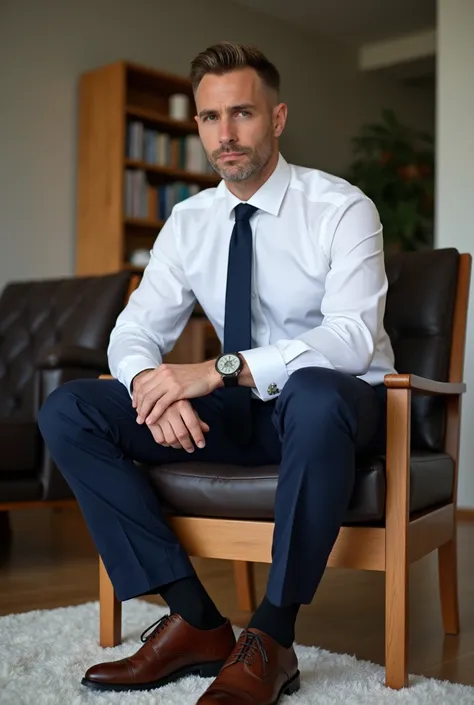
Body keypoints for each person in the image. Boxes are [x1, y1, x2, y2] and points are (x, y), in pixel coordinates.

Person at [38, 41, 396, 705]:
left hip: (333, 416)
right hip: (236, 418)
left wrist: (217, 370)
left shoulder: (342, 208)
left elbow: (350, 337)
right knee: (69, 408)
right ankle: (197, 621)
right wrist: (152, 386)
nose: (225, 136)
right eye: (209, 118)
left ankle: (273, 634)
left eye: (243, 114)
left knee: (314, 392)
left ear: (278, 117)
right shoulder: (189, 221)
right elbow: (133, 331)